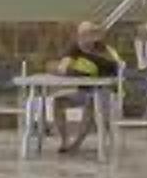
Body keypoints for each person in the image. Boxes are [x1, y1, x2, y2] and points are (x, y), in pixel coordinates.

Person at [50, 21, 123, 154]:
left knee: (92, 104)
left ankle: (77, 144)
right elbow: (63, 65)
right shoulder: (75, 48)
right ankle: (64, 141)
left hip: (106, 91)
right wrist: (64, 67)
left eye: (86, 35)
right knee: (59, 101)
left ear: (94, 36)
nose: (82, 38)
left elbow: (117, 70)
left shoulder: (104, 50)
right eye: (80, 35)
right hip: (85, 90)